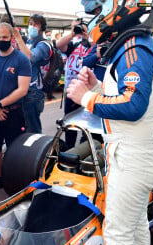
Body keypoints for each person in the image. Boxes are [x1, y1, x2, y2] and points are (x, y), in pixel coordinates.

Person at [67, 1, 153, 245]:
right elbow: (131, 96)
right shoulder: (137, 44)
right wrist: (98, 87)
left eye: (98, 9)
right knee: (136, 226)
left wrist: (87, 98)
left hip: (134, 156)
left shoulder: (135, 48)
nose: (94, 17)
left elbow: (133, 105)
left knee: (117, 236)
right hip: (141, 151)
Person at [0, 22, 31, 193]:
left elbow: (22, 89)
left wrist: (0, 105)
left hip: (14, 112)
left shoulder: (21, 59)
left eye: (5, 37)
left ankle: (14, 179)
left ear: (11, 38)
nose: (1, 40)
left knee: (14, 148)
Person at [56, 19, 92, 149]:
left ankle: (85, 150)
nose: (77, 29)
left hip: (88, 91)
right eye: (74, 27)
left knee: (88, 125)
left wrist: (87, 34)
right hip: (71, 90)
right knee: (70, 125)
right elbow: (59, 45)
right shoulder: (72, 44)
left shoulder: (90, 44)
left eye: (79, 27)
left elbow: (97, 48)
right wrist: (72, 33)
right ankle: (71, 150)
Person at [13, 14, 52, 133]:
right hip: (23, 89)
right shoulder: (28, 42)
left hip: (34, 91)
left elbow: (31, 57)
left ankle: (36, 150)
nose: (32, 26)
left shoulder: (44, 45)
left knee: (33, 129)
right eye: (30, 24)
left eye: (36, 24)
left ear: (42, 28)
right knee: (22, 126)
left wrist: (18, 39)